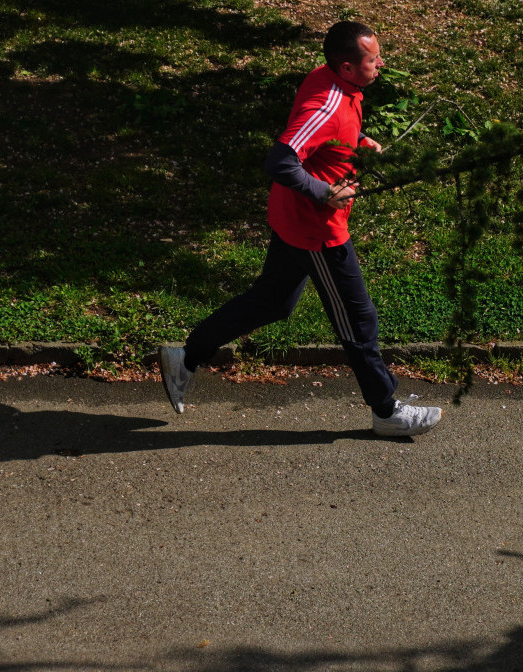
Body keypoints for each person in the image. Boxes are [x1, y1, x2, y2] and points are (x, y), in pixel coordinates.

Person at [159, 21, 442, 437]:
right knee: (357, 318)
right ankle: (386, 411)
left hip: (294, 218)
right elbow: (280, 161)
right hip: (316, 229)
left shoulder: (333, 82)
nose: (381, 62)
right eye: (372, 58)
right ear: (346, 67)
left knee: (273, 303)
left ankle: (185, 356)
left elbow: (326, 136)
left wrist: (359, 142)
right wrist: (325, 192)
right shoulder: (326, 103)